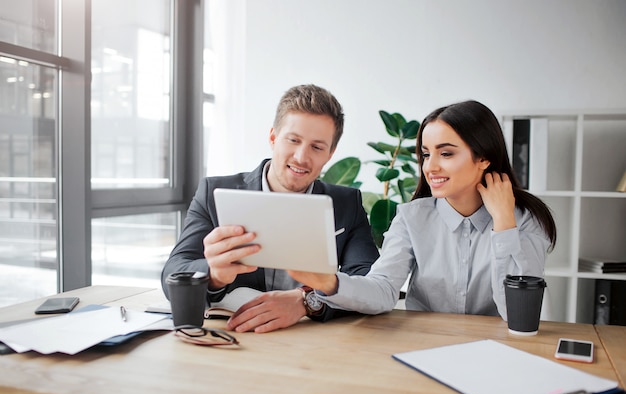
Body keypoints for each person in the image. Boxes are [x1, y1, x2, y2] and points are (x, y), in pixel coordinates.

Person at [289, 100, 557, 320]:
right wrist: (330, 283)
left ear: (483, 157)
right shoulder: (412, 217)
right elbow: (382, 289)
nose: (430, 167)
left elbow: (518, 315)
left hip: (496, 351)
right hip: (424, 346)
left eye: (447, 153)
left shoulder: (524, 220)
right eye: (426, 154)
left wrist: (503, 223)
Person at [161, 84, 379, 333]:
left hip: (311, 341)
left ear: (330, 154)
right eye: (293, 140)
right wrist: (214, 274)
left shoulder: (347, 204)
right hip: (234, 337)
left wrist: (306, 300)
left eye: (317, 147)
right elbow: (172, 274)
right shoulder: (213, 192)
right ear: (273, 138)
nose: (301, 157)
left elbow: (370, 285)